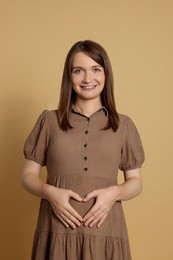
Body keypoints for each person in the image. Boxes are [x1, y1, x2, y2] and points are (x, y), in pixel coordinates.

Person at [21, 40, 145, 260]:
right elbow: (27, 177)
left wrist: (114, 193)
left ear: (106, 75)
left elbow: (135, 182)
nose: (88, 79)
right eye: (79, 71)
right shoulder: (49, 121)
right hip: (56, 231)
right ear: (69, 77)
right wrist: (51, 193)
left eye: (96, 69)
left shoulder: (123, 125)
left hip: (106, 233)